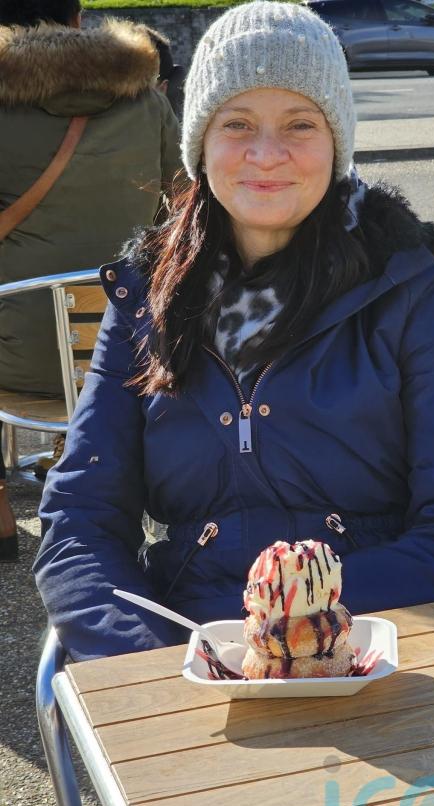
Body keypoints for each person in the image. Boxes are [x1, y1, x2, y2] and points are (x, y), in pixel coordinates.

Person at [33, 1, 434, 662]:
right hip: (191, 646)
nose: (267, 154)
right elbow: (81, 521)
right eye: (237, 123)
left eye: (300, 124)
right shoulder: (147, 295)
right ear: (200, 143)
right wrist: (145, 662)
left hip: (381, 642)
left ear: (336, 141)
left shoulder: (415, 285)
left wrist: (293, 625)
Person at [0, 0, 182, 558]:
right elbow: (186, 210)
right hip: (131, 354)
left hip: (15, 361)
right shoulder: (146, 99)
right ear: (78, 19)